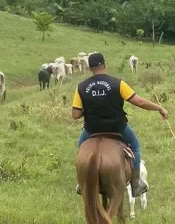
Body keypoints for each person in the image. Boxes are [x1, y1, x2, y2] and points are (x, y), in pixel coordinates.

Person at [72, 52, 168, 197]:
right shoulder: (118, 83)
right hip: (117, 128)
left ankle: (82, 182)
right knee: (135, 146)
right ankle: (136, 184)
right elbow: (139, 102)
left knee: (81, 149)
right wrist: (159, 108)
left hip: (91, 129)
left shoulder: (81, 87)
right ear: (104, 65)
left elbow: (75, 115)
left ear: (89, 67)